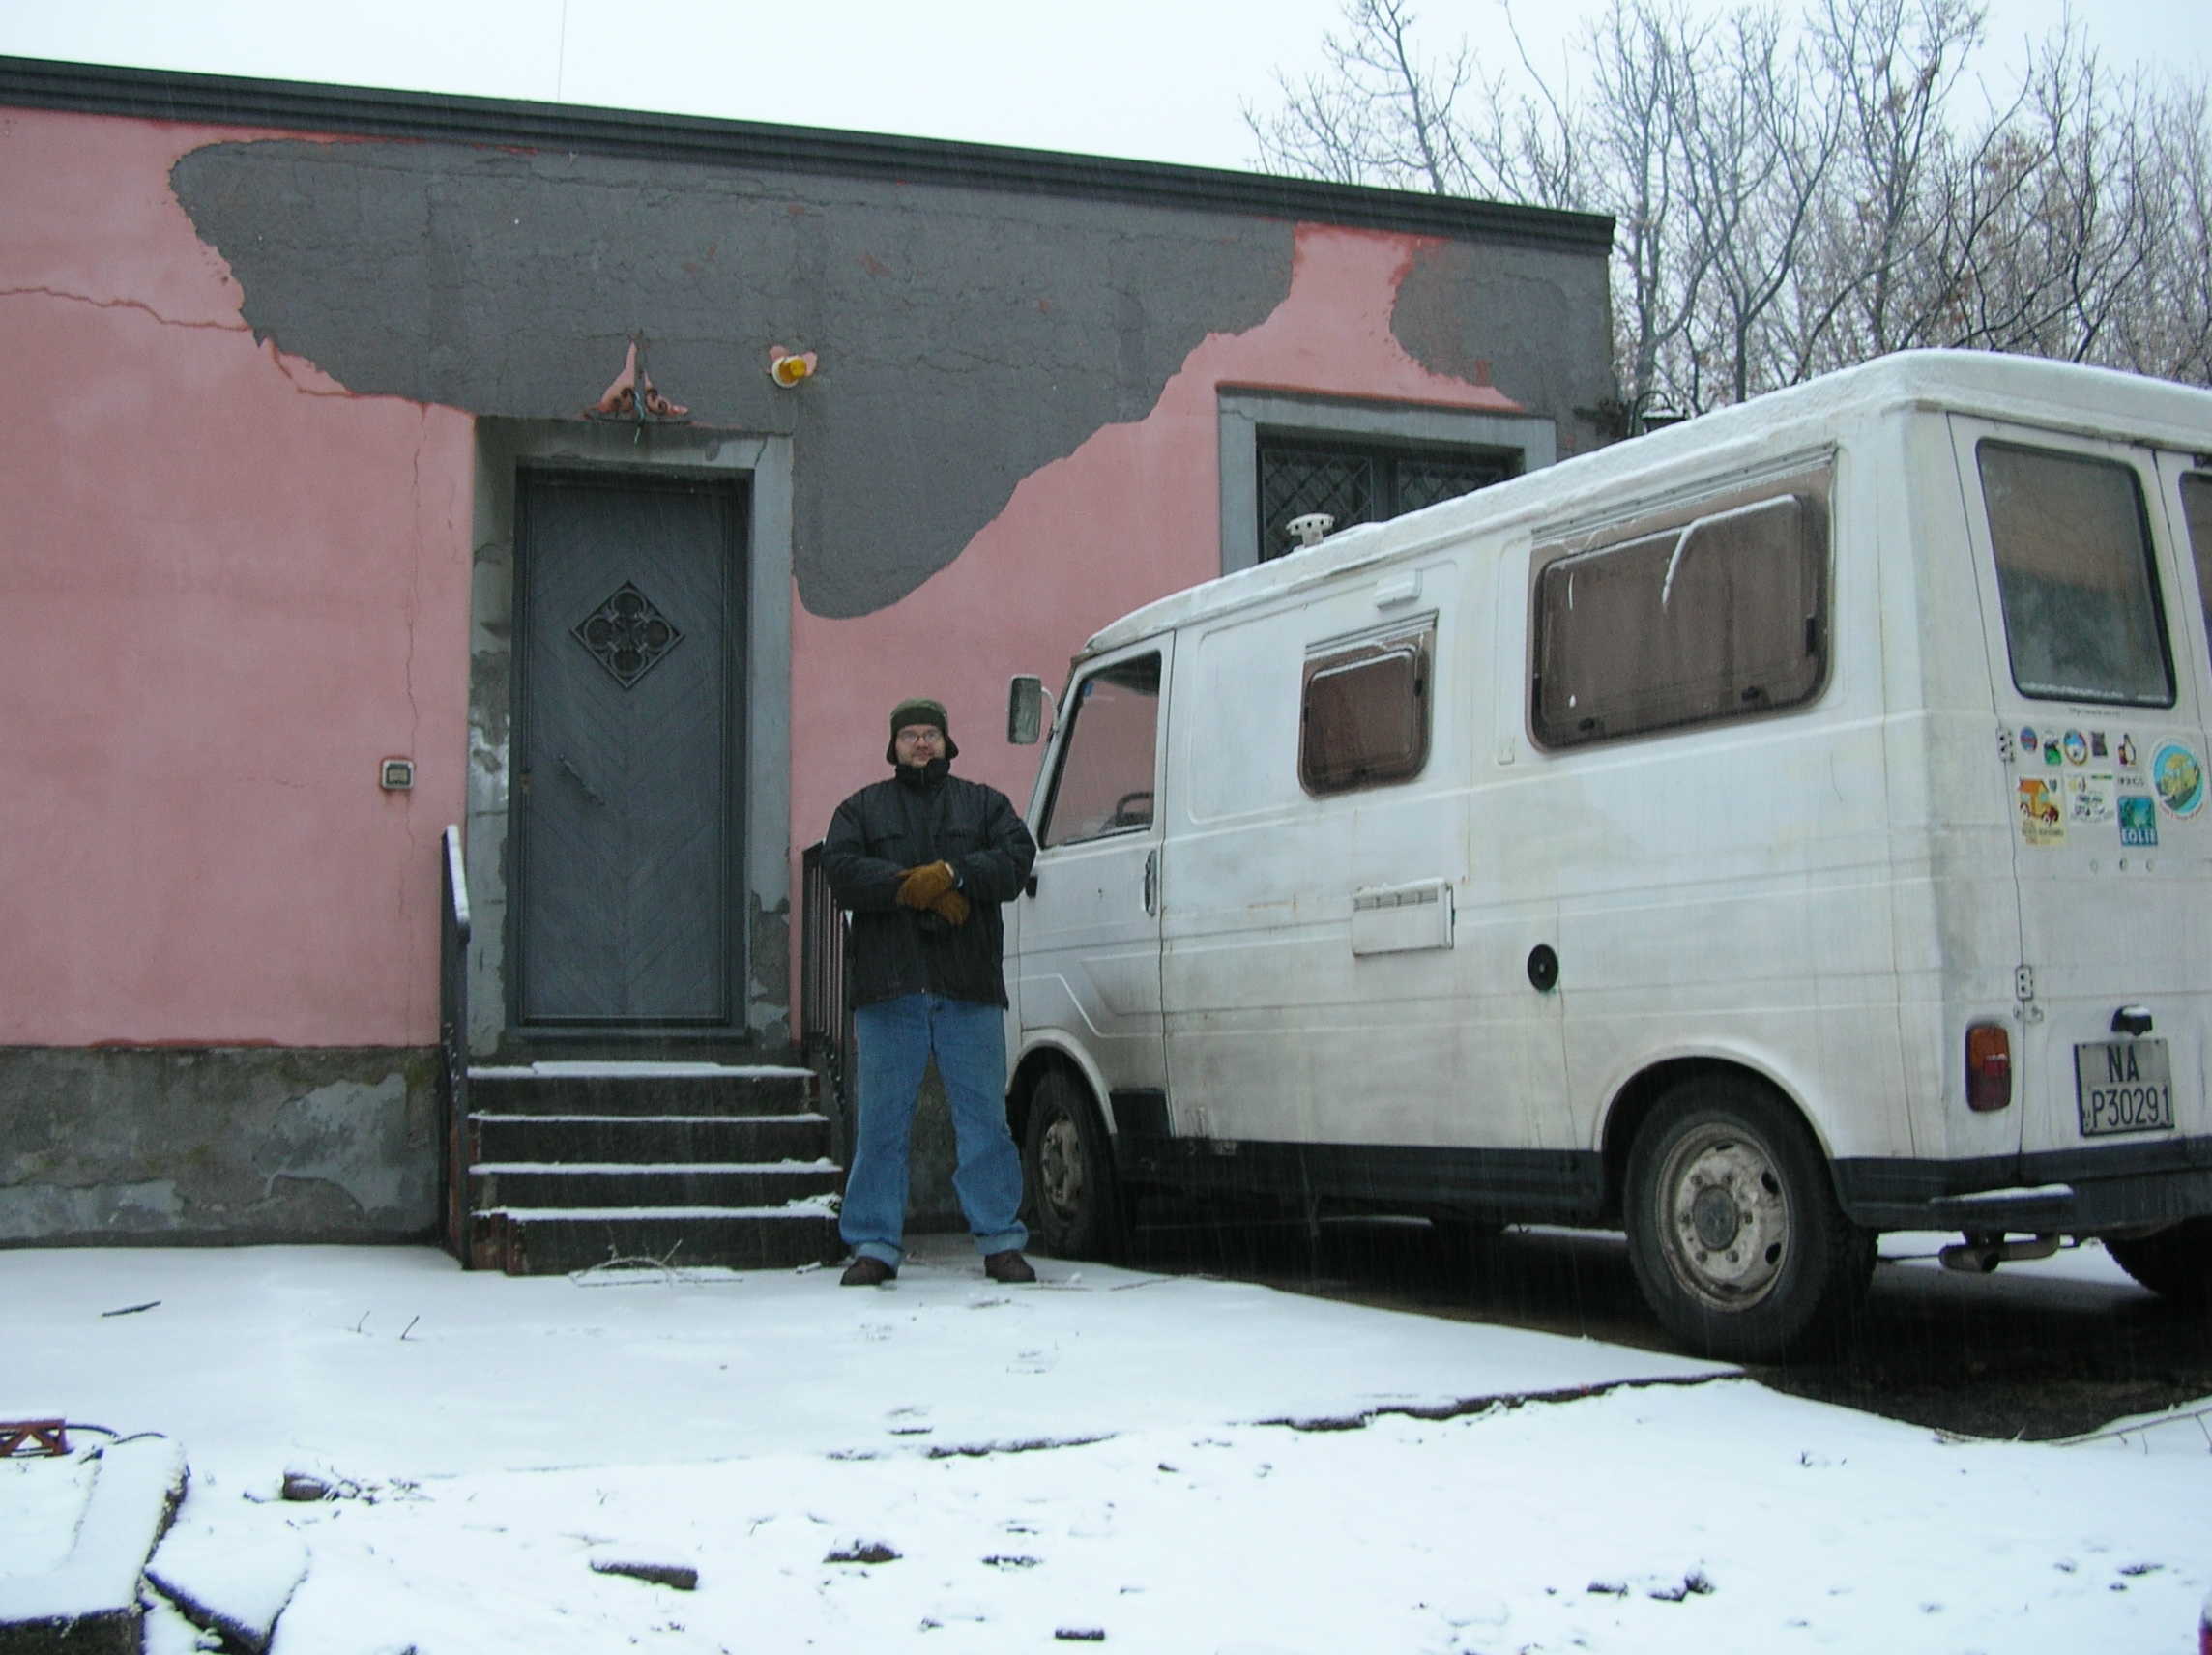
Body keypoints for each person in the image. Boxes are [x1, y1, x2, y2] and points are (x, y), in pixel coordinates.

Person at [821, 696, 1039, 1286]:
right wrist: (905, 886)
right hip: (889, 990)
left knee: (985, 1122)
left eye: (931, 734)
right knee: (881, 1126)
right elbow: (841, 870)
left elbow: (1017, 859)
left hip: (968, 987)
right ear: (892, 746)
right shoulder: (861, 809)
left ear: (947, 742)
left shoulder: (985, 804)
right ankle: (873, 1244)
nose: (921, 743)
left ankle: (1000, 1240)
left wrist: (954, 875)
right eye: (910, 735)